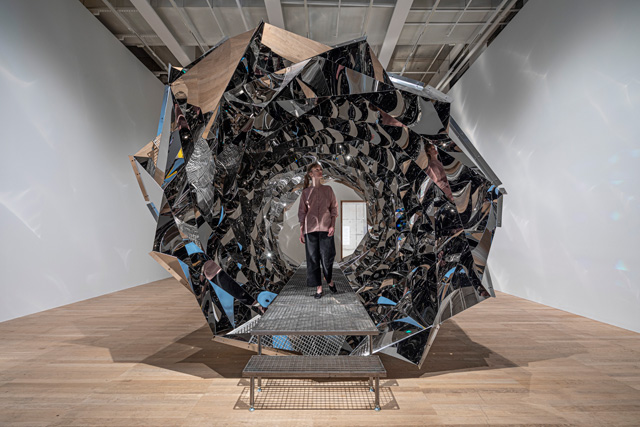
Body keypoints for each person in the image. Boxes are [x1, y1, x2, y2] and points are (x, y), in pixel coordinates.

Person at [298, 163, 338, 299]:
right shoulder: (305, 192)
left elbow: (334, 209)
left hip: (326, 229)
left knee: (327, 257)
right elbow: (302, 213)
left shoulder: (328, 189)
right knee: (313, 259)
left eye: (321, 169)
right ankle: (319, 288)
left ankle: (330, 280)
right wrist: (301, 231)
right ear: (310, 174)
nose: (320, 171)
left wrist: (332, 225)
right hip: (310, 230)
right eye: (317, 170)